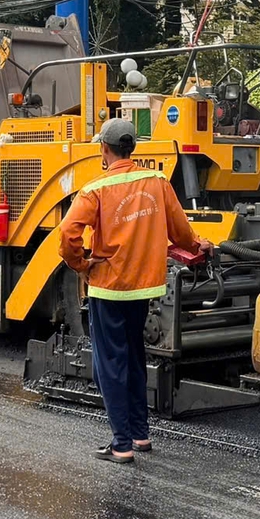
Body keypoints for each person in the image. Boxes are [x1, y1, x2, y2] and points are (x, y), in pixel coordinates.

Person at [57, 118, 210, 464]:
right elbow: (181, 233)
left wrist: (81, 264)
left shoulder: (96, 189)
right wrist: (200, 245)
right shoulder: (157, 182)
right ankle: (140, 435)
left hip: (109, 289)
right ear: (133, 149)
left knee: (110, 365)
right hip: (144, 288)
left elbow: (68, 234)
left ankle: (121, 444)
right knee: (136, 357)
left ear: (104, 149)